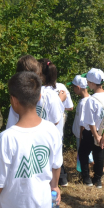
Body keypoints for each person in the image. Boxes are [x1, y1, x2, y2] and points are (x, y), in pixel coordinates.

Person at [0, 71, 63, 208]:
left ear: (14, 101)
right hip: (42, 207)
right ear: (39, 96)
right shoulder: (52, 130)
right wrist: (54, 186)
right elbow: (56, 165)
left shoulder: (7, 137)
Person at [38, 58, 73, 186]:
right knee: (57, 159)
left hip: (41, 132)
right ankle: (59, 182)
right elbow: (69, 106)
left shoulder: (38, 91)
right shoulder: (62, 88)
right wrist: (60, 101)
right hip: (57, 133)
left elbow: (54, 119)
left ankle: (49, 184)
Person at [6, 55, 65, 129]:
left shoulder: (16, 100)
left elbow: (11, 126)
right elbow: (56, 120)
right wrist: (59, 100)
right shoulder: (50, 95)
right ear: (39, 74)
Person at [79, 68, 104, 188]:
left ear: (93, 83)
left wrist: (96, 136)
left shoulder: (91, 100)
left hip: (92, 133)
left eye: (89, 82)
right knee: (99, 154)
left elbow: (90, 122)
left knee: (83, 153)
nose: (88, 84)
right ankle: (98, 180)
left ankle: (87, 179)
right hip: (103, 131)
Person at [70, 75, 94, 170]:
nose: (73, 89)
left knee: (87, 156)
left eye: (73, 87)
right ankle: (86, 171)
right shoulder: (89, 99)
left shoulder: (84, 103)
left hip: (82, 135)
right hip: (83, 134)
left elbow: (82, 123)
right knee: (88, 155)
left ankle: (102, 170)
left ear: (78, 87)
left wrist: (81, 138)